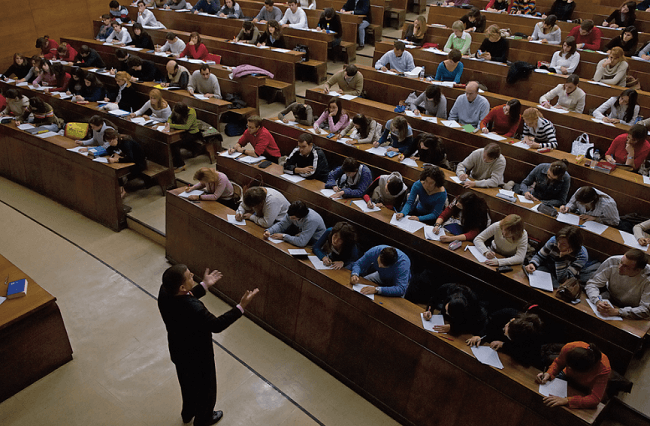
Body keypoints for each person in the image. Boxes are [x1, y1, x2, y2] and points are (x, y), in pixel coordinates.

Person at [158, 264, 259, 426]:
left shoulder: (164, 293)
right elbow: (217, 325)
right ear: (182, 286)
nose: (193, 275)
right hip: (198, 356)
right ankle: (204, 418)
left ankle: (188, 412)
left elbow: (185, 296)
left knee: (187, 384)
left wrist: (204, 286)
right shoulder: (194, 308)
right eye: (190, 276)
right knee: (206, 389)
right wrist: (241, 307)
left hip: (179, 351)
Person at [536, 342, 610, 408]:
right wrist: (549, 373)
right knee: (545, 399)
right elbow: (558, 363)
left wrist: (567, 400)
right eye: (568, 366)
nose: (569, 369)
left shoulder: (604, 367)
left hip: (587, 388)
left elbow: (595, 399)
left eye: (573, 370)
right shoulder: (569, 347)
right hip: (566, 376)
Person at [466, 306, 543, 368]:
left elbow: (526, 357)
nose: (504, 332)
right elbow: (489, 324)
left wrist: (504, 345)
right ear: (512, 320)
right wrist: (480, 335)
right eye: (506, 329)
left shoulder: (533, 339)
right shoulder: (507, 312)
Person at [586, 250, 650, 320]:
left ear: (638, 270)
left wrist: (618, 311)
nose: (619, 267)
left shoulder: (647, 278)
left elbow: (646, 309)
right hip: (611, 297)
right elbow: (592, 283)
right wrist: (598, 301)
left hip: (634, 308)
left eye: (625, 266)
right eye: (621, 262)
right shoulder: (612, 261)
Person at [525, 226, 597, 288]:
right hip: (547, 270)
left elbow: (563, 279)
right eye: (558, 241)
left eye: (564, 244)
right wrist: (533, 263)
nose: (558, 245)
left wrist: (562, 258)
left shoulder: (582, 255)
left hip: (560, 279)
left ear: (573, 246)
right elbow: (540, 256)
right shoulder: (554, 241)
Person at [423, 283, 487, 335]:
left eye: (448, 312)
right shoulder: (448, 288)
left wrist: (454, 328)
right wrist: (429, 310)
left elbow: (476, 325)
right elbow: (433, 299)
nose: (446, 312)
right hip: (442, 316)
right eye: (447, 310)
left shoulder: (473, 302)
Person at [166, 103, 203, 171]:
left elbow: (186, 127)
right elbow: (170, 117)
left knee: (175, 144)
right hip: (180, 131)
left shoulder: (191, 112)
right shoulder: (176, 109)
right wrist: (168, 123)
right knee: (171, 141)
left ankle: (181, 165)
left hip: (192, 132)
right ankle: (196, 147)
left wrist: (171, 126)